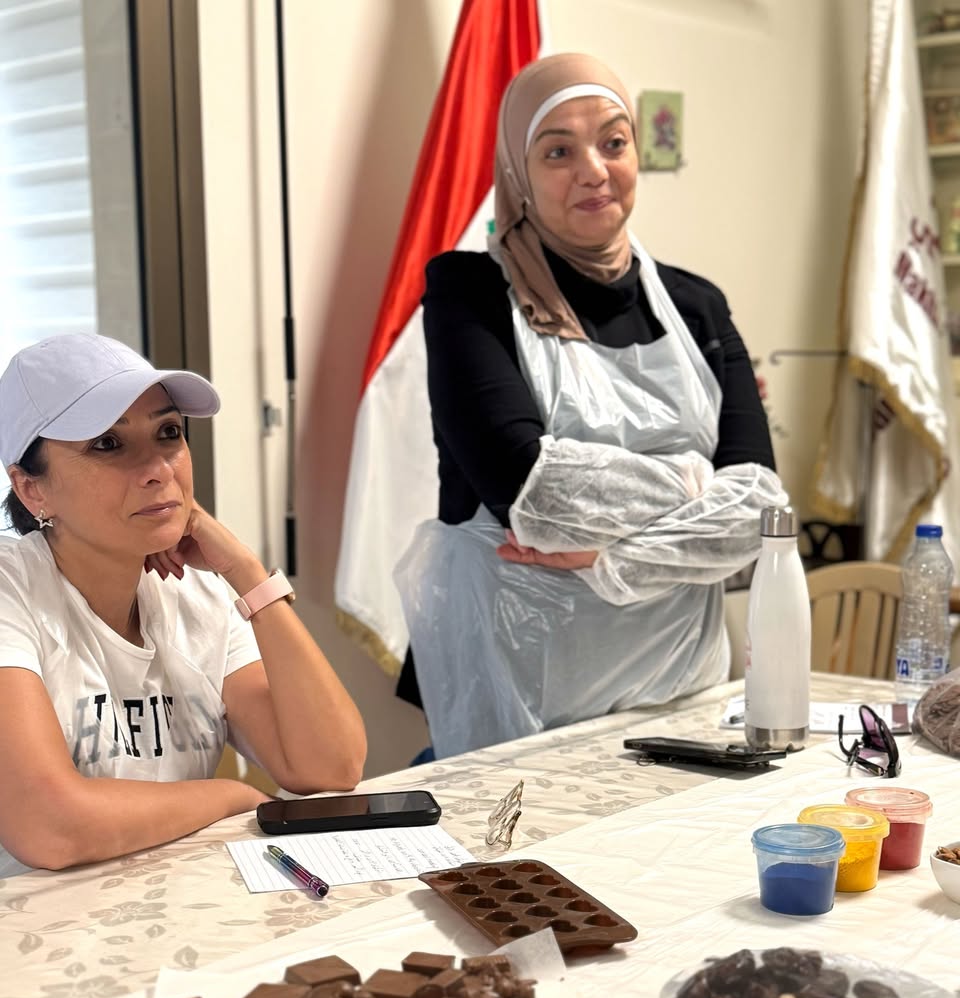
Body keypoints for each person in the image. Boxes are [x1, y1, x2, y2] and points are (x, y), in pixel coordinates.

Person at [395, 53, 787, 758]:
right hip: (517, 698)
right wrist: (696, 481)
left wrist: (613, 562)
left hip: (681, 695)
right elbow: (535, 496)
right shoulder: (468, 294)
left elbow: (759, 512)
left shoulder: (697, 304)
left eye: (613, 142)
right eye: (558, 152)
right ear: (517, 171)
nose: (594, 170)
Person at [0, 333, 366, 872]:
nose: (159, 469)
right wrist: (231, 797)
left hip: (179, 900)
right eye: (108, 443)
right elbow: (49, 827)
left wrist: (247, 574)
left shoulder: (198, 593)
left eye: (168, 432)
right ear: (33, 490)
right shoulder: (11, 590)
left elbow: (330, 766)